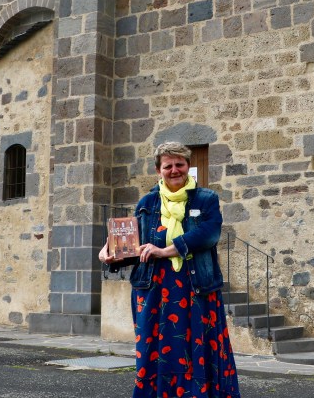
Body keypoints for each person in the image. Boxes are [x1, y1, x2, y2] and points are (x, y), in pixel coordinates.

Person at [100, 142, 240, 398]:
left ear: (188, 166)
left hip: (195, 287)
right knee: (155, 350)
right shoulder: (147, 202)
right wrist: (111, 253)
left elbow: (209, 234)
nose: (174, 170)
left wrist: (166, 250)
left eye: (180, 164)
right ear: (158, 170)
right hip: (154, 290)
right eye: (168, 166)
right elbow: (135, 244)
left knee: (197, 348)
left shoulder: (206, 199)